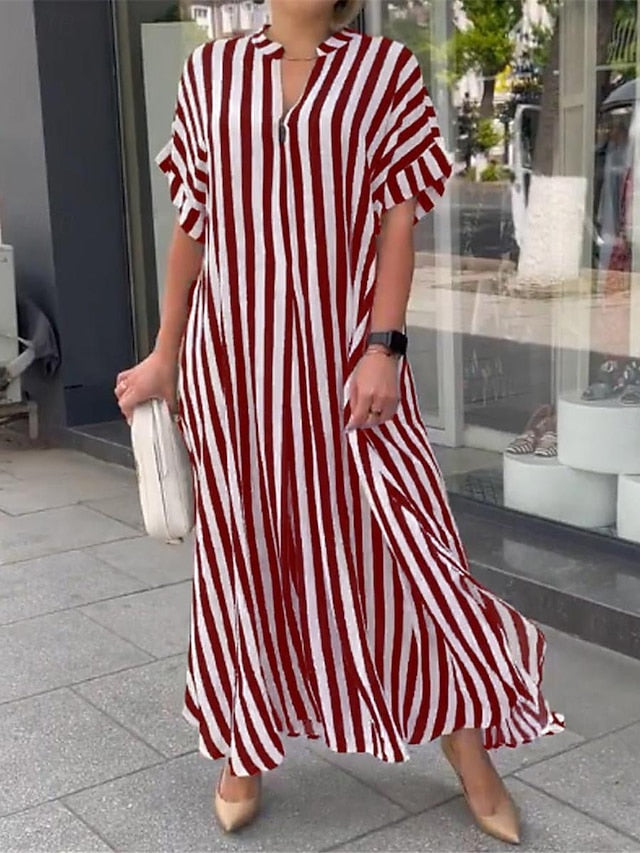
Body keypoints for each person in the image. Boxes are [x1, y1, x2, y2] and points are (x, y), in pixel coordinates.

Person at [115, 0, 563, 842]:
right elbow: (192, 227)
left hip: (348, 366)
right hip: (235, 368)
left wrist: (384, 347)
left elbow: (399, 226)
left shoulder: (385, 72)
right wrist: (166, 352)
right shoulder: (211, 73)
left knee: (404, 548)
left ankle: (466, 743)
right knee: (244, 554)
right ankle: (243, 742)